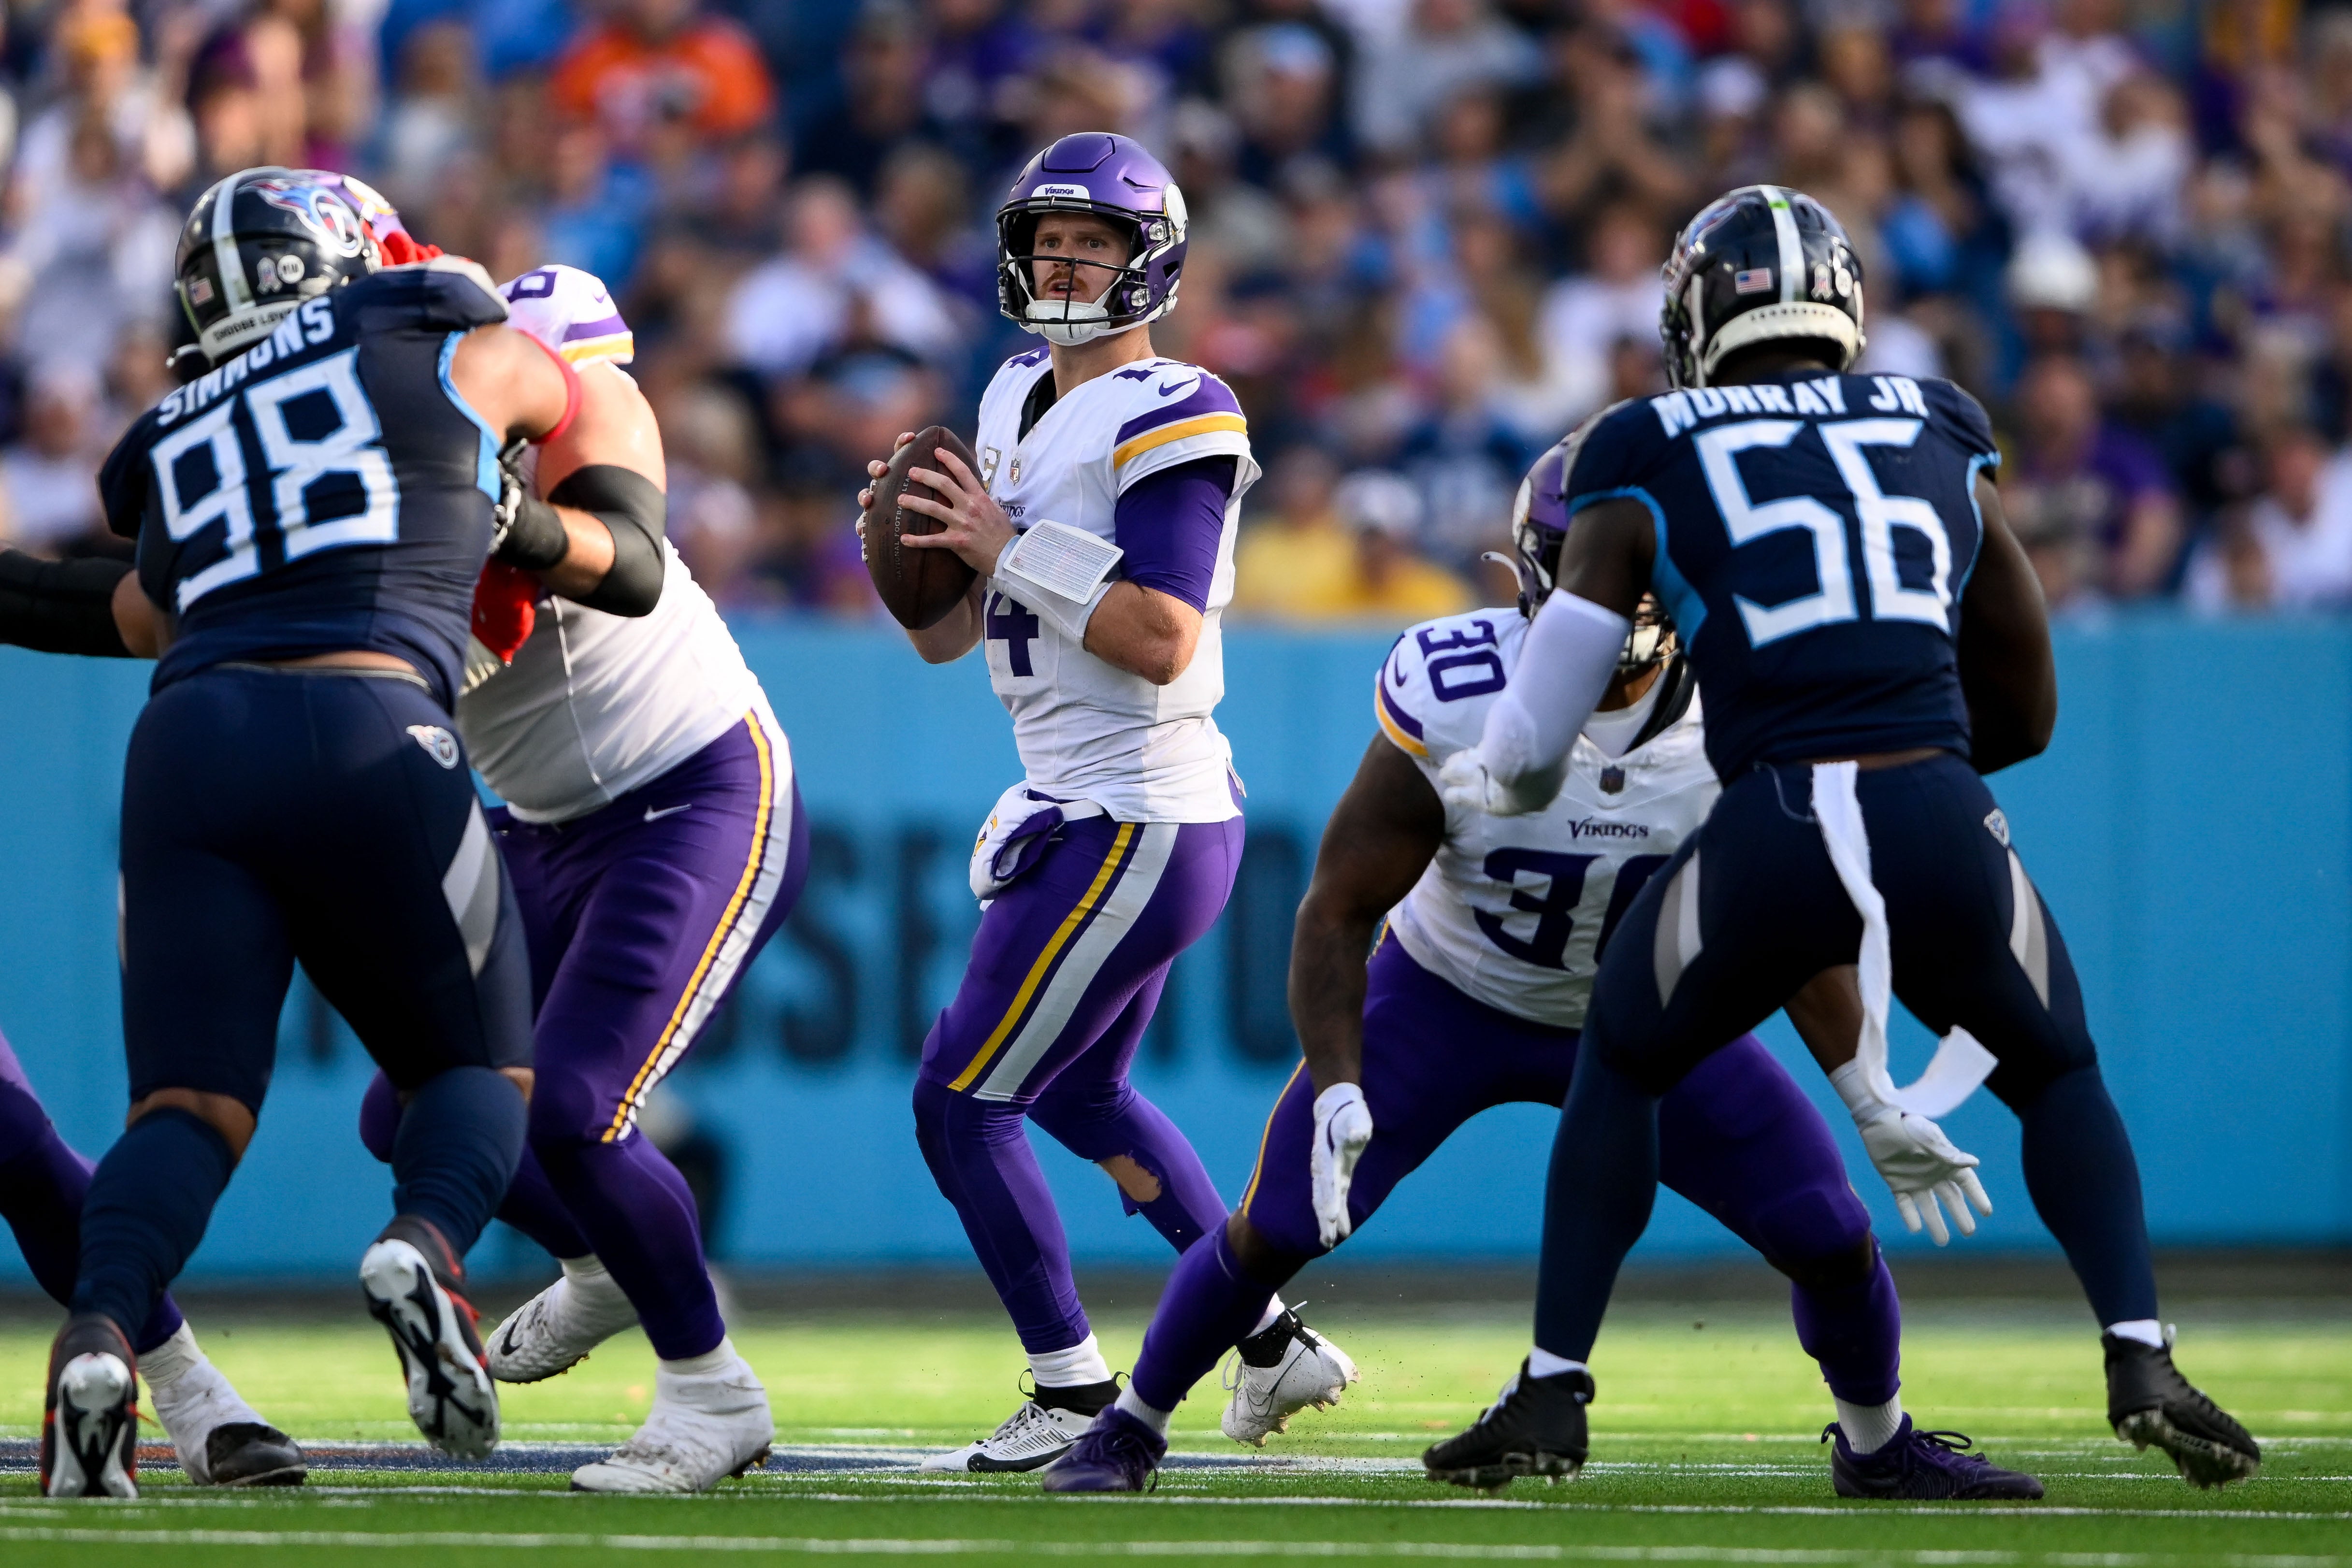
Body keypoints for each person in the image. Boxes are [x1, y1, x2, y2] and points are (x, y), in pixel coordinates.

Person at [1423, 186, 2259, 1491]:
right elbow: (2028, 706)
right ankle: (2139, 1347)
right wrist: (1909, 776)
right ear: (1846, 306)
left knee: (1625, 1053)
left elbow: (1533, 748)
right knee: (2058, 1064)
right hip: (1935, 796)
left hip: (1773, 813)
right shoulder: (1937, 419)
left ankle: (1550, 1390)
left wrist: (1498, 785)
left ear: (1694, 319)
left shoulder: (1639, 443)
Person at [1038, 448, 2040, 1501]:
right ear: (1533, 567)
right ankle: (1129, 1430)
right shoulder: (1458, 686)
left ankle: (1878, 1448)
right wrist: (1337, 1079)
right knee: (1279, 1225)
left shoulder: (1747, 712)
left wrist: (1867, 1096)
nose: (1616, 587)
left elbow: (1781, 925)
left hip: (1655, 1014)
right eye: (1591, 558)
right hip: (1446, 997)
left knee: (1829, 1234)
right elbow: (1339, 906)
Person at [38, 167, 575, 1497]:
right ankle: (426, 1246)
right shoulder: (432, 335)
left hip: (186, 744)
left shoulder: (165, 433)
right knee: (475, 1070)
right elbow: (544, 391)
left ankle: (99, 1331)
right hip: (370, 716)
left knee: (186, 1106)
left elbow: (142, 558)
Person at [854, 132, 1347, 1472]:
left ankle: (1074, 1387)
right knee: (1072, 1095)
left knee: (960, 1099)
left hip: (1137, 802)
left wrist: (1004, 545)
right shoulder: (1011, 391)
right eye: (1049, 240)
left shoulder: (1178, 406)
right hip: (1083, 797)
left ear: (1153, 263)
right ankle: (1267, 1339)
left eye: (1097, 243)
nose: (1066, 262)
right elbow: (954, 641)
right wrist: (921, 567)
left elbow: (1162, 636)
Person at [356, 238, 808, 1492]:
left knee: (577, 1106)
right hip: (545, 823)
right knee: (408, 1109)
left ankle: (713, 1393)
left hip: (693, 792)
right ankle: (603, 1264)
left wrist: (502, 516)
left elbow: (605, 560)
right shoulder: (430, 482)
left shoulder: (581, 484)